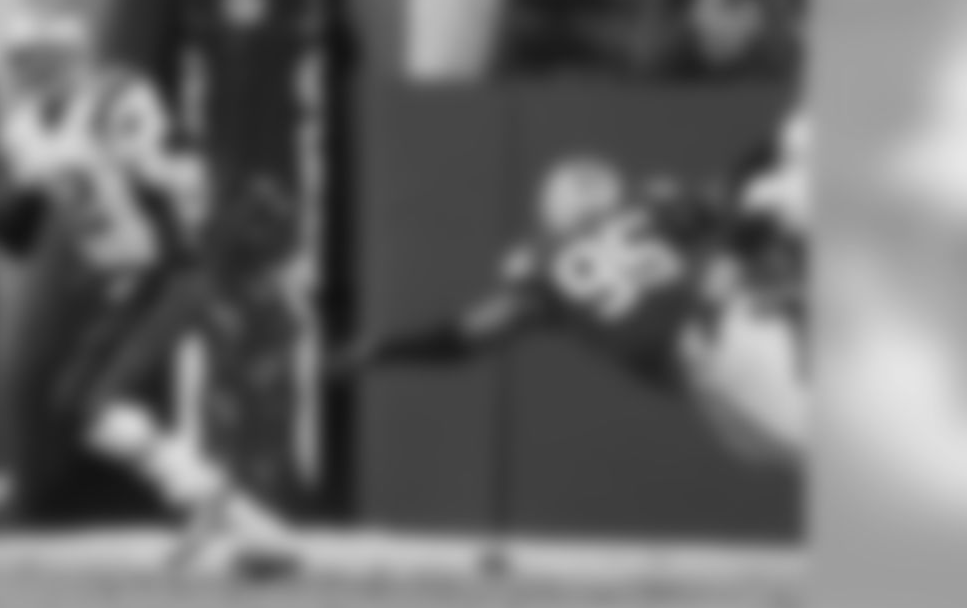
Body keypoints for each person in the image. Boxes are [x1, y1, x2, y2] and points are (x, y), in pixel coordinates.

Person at [0, 13, 293, 568]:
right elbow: (22, 233)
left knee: (96, 405)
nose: (32, 72)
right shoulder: (20, 131)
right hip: (119, 282)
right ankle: (229, 513)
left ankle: (216, 505)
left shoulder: (117, 98)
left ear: (72, 58)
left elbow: (183, 171)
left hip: (165, 270)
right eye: (24, 61)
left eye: (42, 58)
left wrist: (157, 171)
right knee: (78, 406)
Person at [334, 146, 808, 464]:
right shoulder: (651, 203)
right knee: (774, 445)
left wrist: (383, 350)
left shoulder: (544, 271)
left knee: (808, 439)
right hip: (725, 339)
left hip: (713, 346)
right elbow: (732, 208)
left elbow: (463, 336)